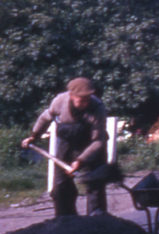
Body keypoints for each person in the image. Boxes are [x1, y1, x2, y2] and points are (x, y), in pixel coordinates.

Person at [21, 77, 109, 216]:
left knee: (95, 184)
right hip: (67, 144)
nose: (86, 103)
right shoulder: (60, 101)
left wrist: (80, 160)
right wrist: (35, 135)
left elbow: (98, 141)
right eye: (82, 100)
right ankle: (65, 220)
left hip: (91, 147)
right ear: (72, 95)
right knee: (61, 186)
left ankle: (96, 220)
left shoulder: (98, 108)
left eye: (88, 98)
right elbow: (45, 118)